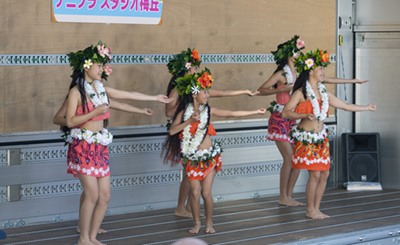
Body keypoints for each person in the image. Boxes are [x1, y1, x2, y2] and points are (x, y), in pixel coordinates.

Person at [58, 41, 172, 245]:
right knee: (92, 194)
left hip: (99, 146)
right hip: (82, 147)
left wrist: (153, 99)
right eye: (99, 65)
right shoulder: (76, 92)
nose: (102, 69)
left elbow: (128, 95)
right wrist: (94, 112)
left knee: (105, 195)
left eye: (103, 65)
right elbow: (69, 121)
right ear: (86, 66)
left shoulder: (101, 89)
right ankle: (83, 238)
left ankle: (92, 237)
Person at [257, 35, 369, 207]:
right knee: (291, 159)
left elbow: (331, 84)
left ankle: (289, 196)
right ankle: (285, 197)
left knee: (301, 163)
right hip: (282, 119)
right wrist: (283, 89)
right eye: (295, 51)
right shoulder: (285, 77)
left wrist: (355, 81)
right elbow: (262, 91)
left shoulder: (315, 85)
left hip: (301, 122)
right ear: (287, 55)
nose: (298, 54)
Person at [163, 68, 266, 233]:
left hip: (209, 158)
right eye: (204, 92)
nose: (207, 95)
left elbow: (231, 113)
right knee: (195, 193)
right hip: (192, 159)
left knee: (205, 192)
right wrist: (189, 121)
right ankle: (196, 224)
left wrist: (254, 111)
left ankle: (209, 223)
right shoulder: (184, 113)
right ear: (195, 94)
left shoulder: (209, 111)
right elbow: (172, 131)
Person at [282, 49, 376, 219]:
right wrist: (303, 115)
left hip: (321, 139)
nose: (324, 72)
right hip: (306, 140)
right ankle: (310, 210)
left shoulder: (325, 94)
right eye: (321, 69)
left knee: (324, 173)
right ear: (310, 70)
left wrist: (366, 107)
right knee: (315, 174)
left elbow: (345, 105)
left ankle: (316, 209)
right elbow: (285, 113)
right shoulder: (300, 93)